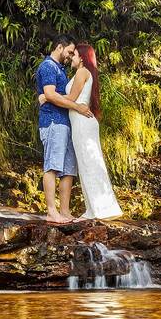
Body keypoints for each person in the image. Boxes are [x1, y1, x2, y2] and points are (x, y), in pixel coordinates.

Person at [39, 43, 123, 220]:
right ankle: (96, 209)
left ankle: (101, 209)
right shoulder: (81, 72)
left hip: (82, 123)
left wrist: (46, 96)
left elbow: (70, 98)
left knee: (89, 163)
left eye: (74, 54)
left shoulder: (81, 72)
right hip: (79, 123)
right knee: (87, 164)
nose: (72, 58)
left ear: (82, 58)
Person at [35, 35, 93, 223]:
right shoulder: (48, 67)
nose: (69, 56)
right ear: (59, 47)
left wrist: (50, 97)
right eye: (69, 51)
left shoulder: (60, 69)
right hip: (53, 122)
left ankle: (65, 211)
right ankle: (52, 212)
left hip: (67, 124)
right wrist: (76, 107)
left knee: (68, 170)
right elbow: (51, 95)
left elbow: (56, 95)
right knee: (52, 165)